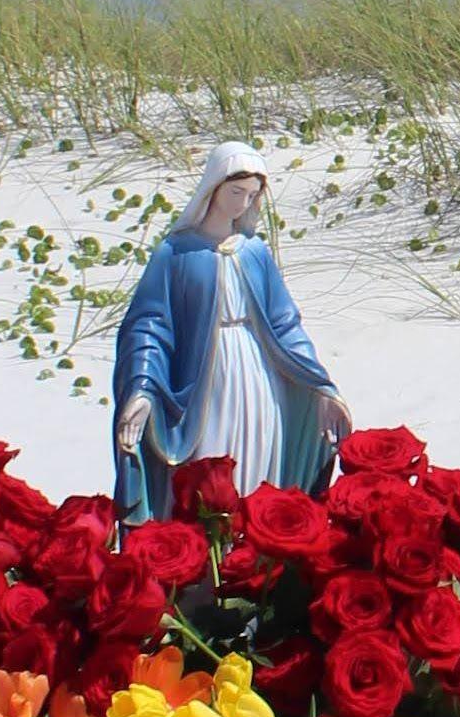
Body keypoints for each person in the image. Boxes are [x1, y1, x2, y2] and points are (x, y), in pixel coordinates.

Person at [110, 139, 343, 517]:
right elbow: (149, 327)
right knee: (210, 465)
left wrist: (320, 383)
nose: (243, 203)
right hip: (206, 379)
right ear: (213, 188)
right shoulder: (176, 252)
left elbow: (284, 324)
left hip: (258, 374)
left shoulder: (254, 252)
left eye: (252, 195)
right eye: (236, 192)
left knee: (257, 460)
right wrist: (142, 388)